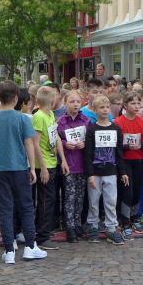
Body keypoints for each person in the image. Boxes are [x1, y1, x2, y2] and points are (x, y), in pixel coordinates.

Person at [0, 81, 47, 264]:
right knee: (26, 207)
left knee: (5, 209)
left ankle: (9, 250)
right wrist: (32, 167)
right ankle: (30, 246)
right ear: (16, 98)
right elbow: (29, 143)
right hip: (20, 168)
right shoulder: (23, 119)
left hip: (1, 170)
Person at [84, 95, 128, 245]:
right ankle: (93, 226)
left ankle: (111, 228)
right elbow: (88, 154)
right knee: (93, 201)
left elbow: (119, 153)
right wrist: (90, 174)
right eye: (101, 107)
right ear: (95, 110)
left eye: (107, 107)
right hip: (95, 172)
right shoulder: (91, 129)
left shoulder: (116, 129)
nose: (105, 110)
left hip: (111, 172)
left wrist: (123, 172)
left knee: (110, 201)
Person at [31, 86, 69, 249]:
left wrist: (63, 160)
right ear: (52, 100)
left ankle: (45, 230)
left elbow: (57, 138)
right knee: (46, 201)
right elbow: (35, 143)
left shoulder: (50, 114)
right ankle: (42, 236)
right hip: (44, 165)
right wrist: (43, 167)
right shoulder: (39, 117)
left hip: (53, 162)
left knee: (50, 199)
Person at [57, 90, 90, 243]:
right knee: (69, 196)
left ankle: (77, 223)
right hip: (69, 164)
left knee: (80, 196)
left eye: (78, 101)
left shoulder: (86, 121)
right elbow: (56, 140)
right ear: (65, 103)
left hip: (82, 164)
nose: (75, 104)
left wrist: (85, 143)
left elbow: (91, 139)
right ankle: (69, 225)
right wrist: (65, 144)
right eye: (72, 101)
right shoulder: (61, 122)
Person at [115, 91, 143, 234]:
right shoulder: (118, 122)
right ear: (125, 105)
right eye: (133, 103)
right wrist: (127, 146)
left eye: (138, 103)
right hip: (124, 161)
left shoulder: (141, 121)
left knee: (136, 190)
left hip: (138, 160)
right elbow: (116, 146)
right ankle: (125, 221)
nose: (136, 106)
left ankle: (134, 218)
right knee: (127, 191)